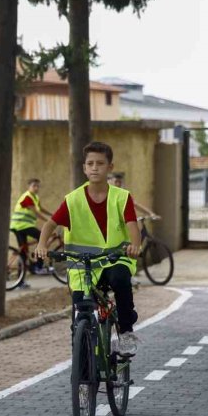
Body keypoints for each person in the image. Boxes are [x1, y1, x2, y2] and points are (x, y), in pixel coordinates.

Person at [36, 142, 141, 355]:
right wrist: (41, 245)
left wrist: (135, 245)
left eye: (100, 163)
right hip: (83, 266)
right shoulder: (73, 199)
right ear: (84, 168)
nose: (95, 168)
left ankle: (126, 333)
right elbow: (49, 225)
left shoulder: (121, 197)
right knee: (80, 313)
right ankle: (83, 362)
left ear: (110, 167)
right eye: (90, 163)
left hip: (115, 259)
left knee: (121, 280)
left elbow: (132, 225)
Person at [10, 178, 52, 275]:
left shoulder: (35, 197)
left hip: (22, 226)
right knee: (42, 237)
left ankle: (21, 279)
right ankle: (39, 266)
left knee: (23, 251)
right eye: (34, 186)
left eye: (38, 186)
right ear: (28, 187)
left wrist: (53, 215)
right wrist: (49, 221)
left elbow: (40, 208)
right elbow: (36, 212)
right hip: (20, 225)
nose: (36, 188)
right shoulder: (27, 197)